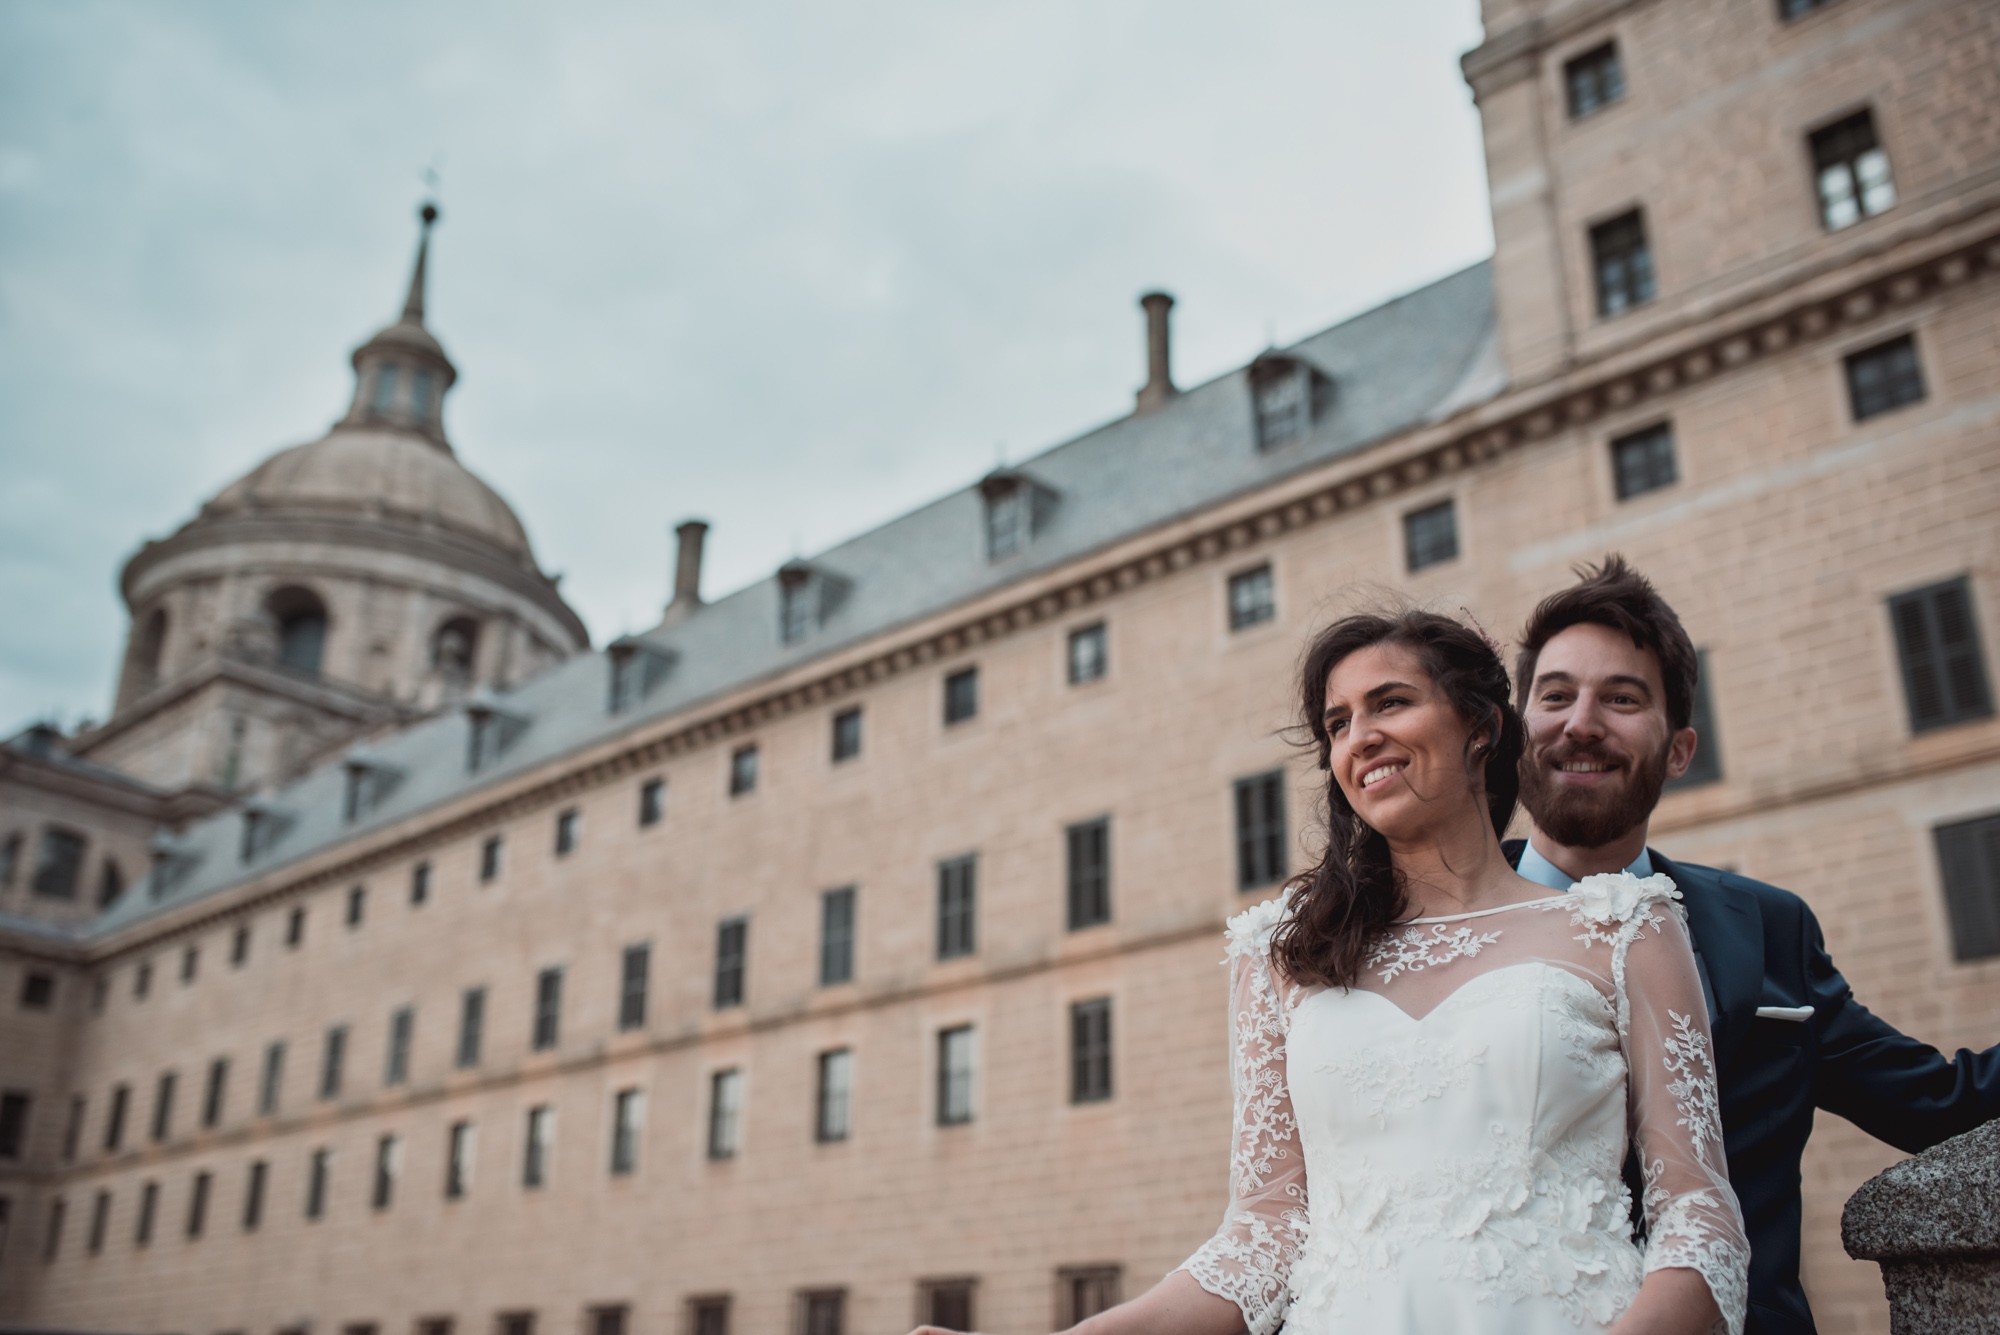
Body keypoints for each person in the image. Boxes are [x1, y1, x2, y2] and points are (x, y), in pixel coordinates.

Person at [913, 608, 1748, 1335]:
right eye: (1339, 722)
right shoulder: (1278, 954)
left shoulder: (1622, 926)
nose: (1362, 736)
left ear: (1482, 726)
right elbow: (1262, 1237)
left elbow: (1699, 1212)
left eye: (1390, 702)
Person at [1505, 556, 2000, 1335]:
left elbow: (1942, 1105)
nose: (1581, 721)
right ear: (1513, 731)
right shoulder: (1419, 923)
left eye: (1622, 698)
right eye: (1556, 694)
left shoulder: (1767, 928)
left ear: (1679, 749)